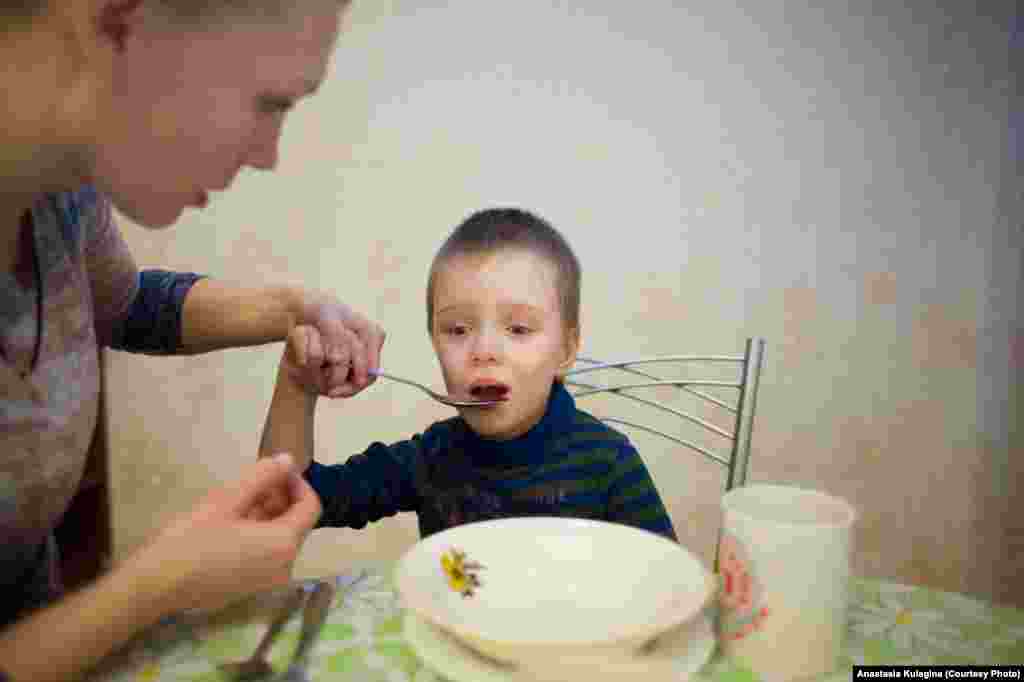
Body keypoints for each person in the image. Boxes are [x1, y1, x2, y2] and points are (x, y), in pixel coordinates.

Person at [0, 1, 385, 680]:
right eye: (270, 102)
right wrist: (157, 584)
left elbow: (124, 306)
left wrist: (293, 308)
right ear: (123, 19)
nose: (269, 155)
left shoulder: (62, 198)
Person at [259, 207, 677, 541]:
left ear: (565, 351)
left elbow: (664, 585)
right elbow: (287, 500)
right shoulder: (430, 458)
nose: (483, 351)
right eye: (457, 330)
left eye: (518, 329)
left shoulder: (608, 463)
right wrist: (296, 385)